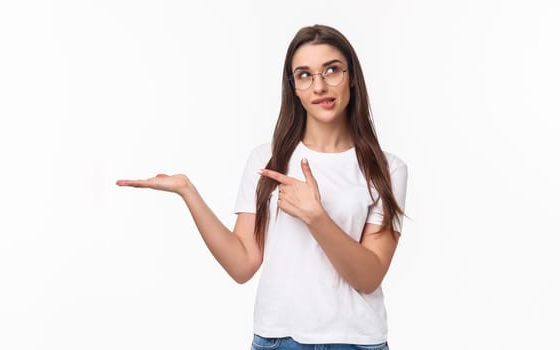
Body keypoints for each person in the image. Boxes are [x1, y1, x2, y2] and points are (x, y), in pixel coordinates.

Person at [116, 24, 407, 350]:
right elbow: (242, 265)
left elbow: (368, 278)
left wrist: (316, 217)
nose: (320, 85)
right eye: (305, 75)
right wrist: (188, 192)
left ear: (352, 76)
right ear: (294, 87)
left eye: (332, 70)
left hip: (354, 341)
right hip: (278, 339)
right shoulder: (266, 159)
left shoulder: (386, 168)